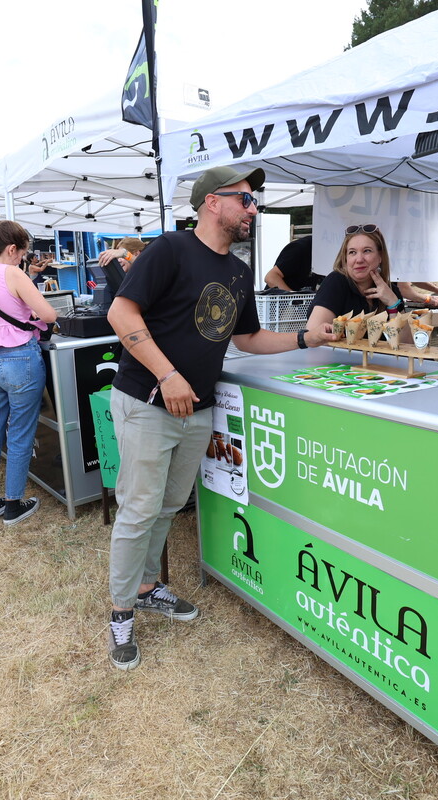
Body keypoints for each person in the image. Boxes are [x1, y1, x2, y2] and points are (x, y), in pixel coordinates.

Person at [104, 165, 337, 670]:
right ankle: (121, 613)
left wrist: (305, 338)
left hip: (198, 408)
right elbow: (121, 315)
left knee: (167, 505)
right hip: (149, 401)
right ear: (214, 202)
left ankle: (146, 586)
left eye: (254, 203)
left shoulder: (236, 269)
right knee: (139, 508)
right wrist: (168, 376)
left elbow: (246, 337)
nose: (253, 210)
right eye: (246, 200)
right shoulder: (169, 249)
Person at [0, 221, 58, 525]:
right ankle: (14, 503)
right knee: (20, 432)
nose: (23, 259)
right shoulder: (13, 273)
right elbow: (49, 314)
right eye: (22, 253)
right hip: (19, 358)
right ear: (12, 248)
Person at [306, 225, 438, 334]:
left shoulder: (391, 290)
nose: (359, 259)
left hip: (378, 366)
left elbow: (406, 344)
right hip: (338, 366)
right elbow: (312, 334)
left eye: (367, 251)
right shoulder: (336, 282)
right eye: (352, 252)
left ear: (380, 256)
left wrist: (393, 303)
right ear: (345, 258)